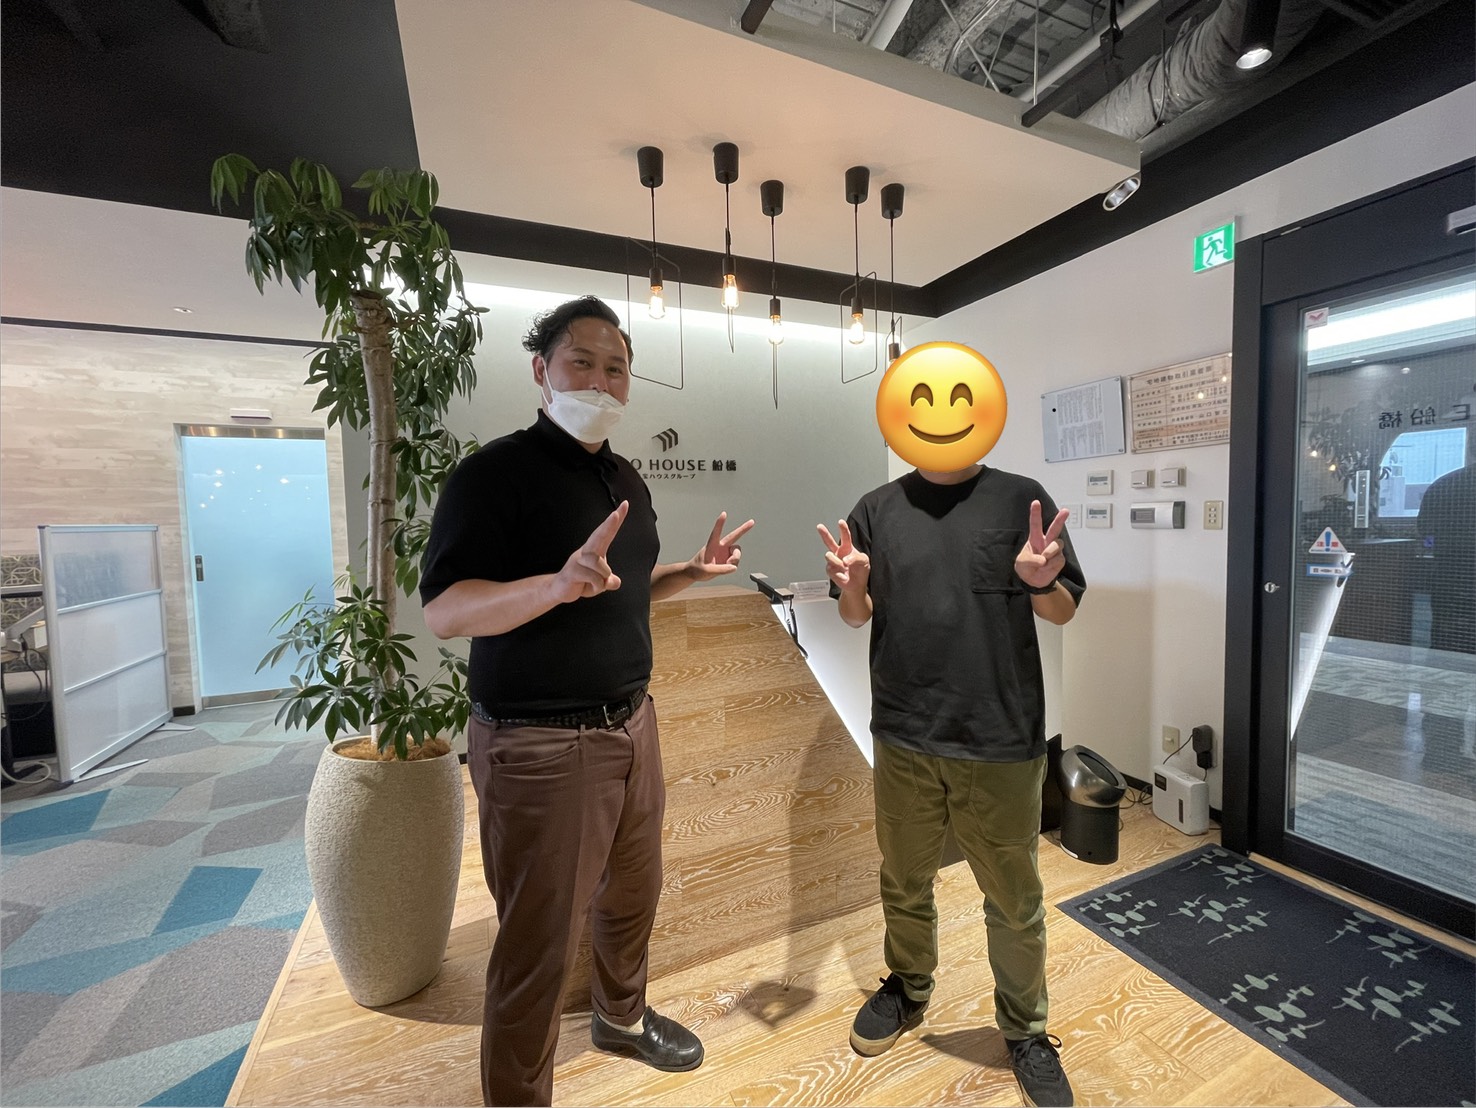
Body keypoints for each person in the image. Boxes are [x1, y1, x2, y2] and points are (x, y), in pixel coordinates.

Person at [420, 295, 755, 1107]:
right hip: (540, 743)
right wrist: (554, 585)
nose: (601, 380)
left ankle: (621, 1018)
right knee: (537, 942)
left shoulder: (623, 476)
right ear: (542, 369)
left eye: (617, 368)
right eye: (583, 362)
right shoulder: (493, 475)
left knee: (633, 894)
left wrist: (687, 573)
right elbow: (446, 612)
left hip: (631, 723)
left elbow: (618, 587)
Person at [818, 462, 1085, 1108]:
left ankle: (1025, 1029)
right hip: (904, 733)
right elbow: (855, 616)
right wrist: (853, 588)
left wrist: (1043, 584)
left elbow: (1063, 609)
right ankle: (908, 986)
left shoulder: (1021, 499)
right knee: (903, 876)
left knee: (1013, 897)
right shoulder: (876, 508)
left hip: (1000, 735)